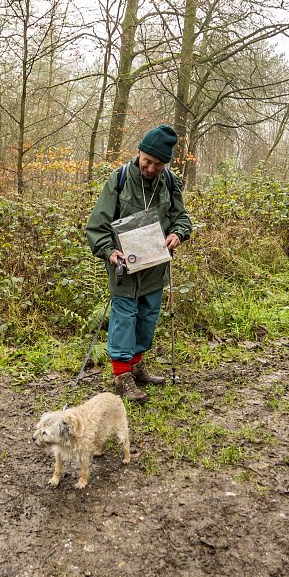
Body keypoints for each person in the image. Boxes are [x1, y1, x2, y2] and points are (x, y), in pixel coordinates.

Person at [86, 124, 193, 403]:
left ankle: (137, 367)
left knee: (147, 318)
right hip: (124, 266)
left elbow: (182, 218)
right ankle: (122, 378)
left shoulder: (169, 181)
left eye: (158, 164)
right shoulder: (119, 179)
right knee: (124, 319)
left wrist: (177, 233)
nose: (151, 168)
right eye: (147, 161)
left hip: (155, 266)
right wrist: (109, 251)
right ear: (139, 153)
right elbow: (97, 226)